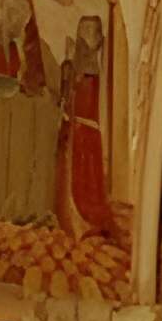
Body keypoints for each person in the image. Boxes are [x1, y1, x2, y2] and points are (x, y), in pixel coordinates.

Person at [55, 13, 116, 240]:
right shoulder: (75, 66)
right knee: (78, 177)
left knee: (90, 176)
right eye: (85, 32)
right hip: (78, 131)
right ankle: (80, 222)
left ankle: (92, 221)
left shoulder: (95, 70)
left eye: (92, 33)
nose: (89, 37)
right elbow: (69, 95)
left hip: (90, 133)